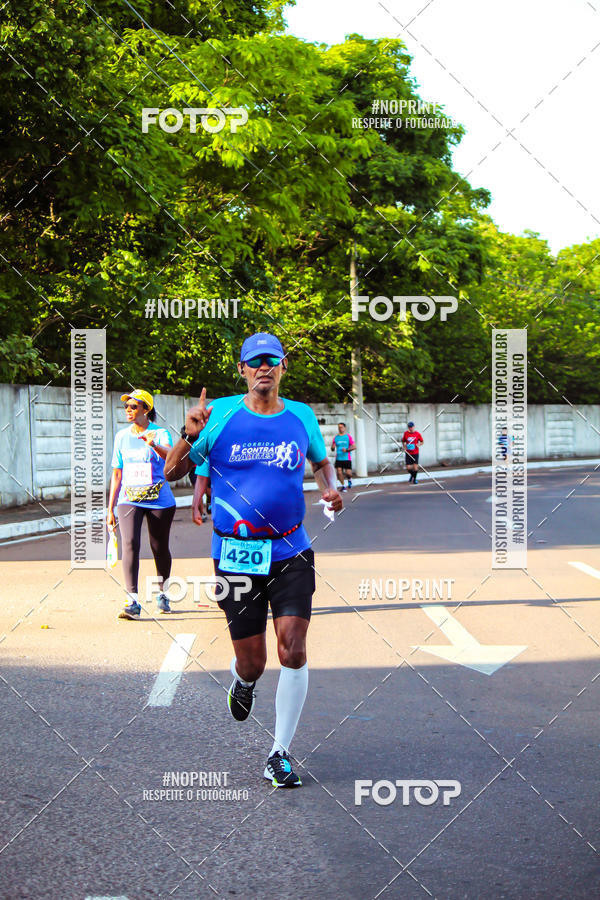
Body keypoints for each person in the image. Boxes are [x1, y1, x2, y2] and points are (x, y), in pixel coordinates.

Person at [165, 333, 343, 788]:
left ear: (283, 367)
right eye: (254, 362)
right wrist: (189, 435)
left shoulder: (301, 415)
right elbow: (172, 473)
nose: (263, 368)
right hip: (236, 555)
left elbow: (320, 461)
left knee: (294, 649)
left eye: (271, 360)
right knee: (254, 662)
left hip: (291, 548)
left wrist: (329, 486)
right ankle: (242, 681)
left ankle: (278, 753)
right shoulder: (219, 414)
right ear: (242, 369)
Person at [107, 389, 177, 619]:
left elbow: (171, 458)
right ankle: (132, 600)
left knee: (159, 547)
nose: (128, 410)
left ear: (146, 409)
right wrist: (110, 508)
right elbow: (117, 474)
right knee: (130, 544)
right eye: (126, 406)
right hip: (129, 500)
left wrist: (153, 444)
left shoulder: (160, 433)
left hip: (159, 500)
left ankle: (163, 593)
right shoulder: (121, 437)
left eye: (133, 406)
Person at [331, 422, 356, 491]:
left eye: (341, 427)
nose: (340, 429)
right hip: (338, 458)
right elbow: (332, 449)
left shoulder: (348, 437)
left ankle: (349, 479)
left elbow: (354, 447)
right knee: (339, 472)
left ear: (345, 428)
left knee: (348, 473)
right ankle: (343, 486)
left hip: (347, 458)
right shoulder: (336, 438)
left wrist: (347, 450)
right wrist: (332, 447)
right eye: (339, 427)